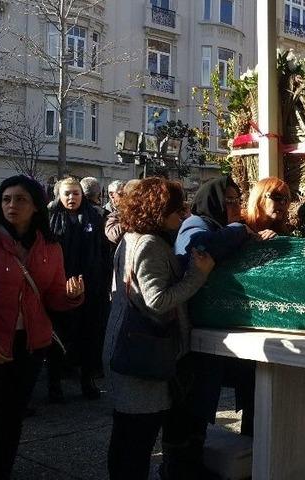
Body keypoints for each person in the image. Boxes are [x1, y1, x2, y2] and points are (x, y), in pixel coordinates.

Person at [0, 175, 84, 479]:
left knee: (11, 420)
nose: (12, 205)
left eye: (21, 199)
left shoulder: (50, 247)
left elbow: (51, 299)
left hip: (28, 347)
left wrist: (72, 297)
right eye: (6, 199)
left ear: (36, 206)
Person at [103, 177, 215, 480]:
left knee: (126, 437)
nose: (183, 215)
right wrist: (197, 275)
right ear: (158, 209)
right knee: (136, 441)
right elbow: (157, 301)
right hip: (142, 356)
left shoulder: (132, 236)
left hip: (126, 348)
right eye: (177, 209)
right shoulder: (150, 244)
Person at [166, 176, 255, 478]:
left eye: (236, 200)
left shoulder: (212, 225)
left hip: (205, 329)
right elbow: (201, 249)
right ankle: (178, 469)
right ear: (213, 200)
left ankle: (189, 466)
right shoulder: (198, 225)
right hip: (191, 332)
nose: (234, 206)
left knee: (200, 404)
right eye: (228, 200)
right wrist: (238, 230)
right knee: (190, 405)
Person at [48, 177, 110, 402]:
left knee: (89, 336)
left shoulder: (95, 216)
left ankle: (87, 380)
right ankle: (54, 385)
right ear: (59, 195)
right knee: (57, 338)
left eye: (75, 193)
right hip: (58, 286)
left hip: (90, 287)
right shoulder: (50, 217)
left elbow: (103, 253)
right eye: (67, 193)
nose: (71, 197)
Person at [105, 179, 140, 245]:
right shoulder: (106, 213)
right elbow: (114, 235)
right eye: (121, 194)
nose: (125, 197)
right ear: (111, 195)